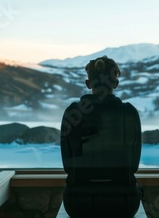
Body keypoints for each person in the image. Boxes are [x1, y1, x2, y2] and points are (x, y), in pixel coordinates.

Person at [60, 56, 142, 218]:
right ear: (115, 84)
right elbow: (133, 163)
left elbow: (67, 162)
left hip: (77, 203)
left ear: (88, 83)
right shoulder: (129, 112)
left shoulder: (73, 112)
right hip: (124, 203)